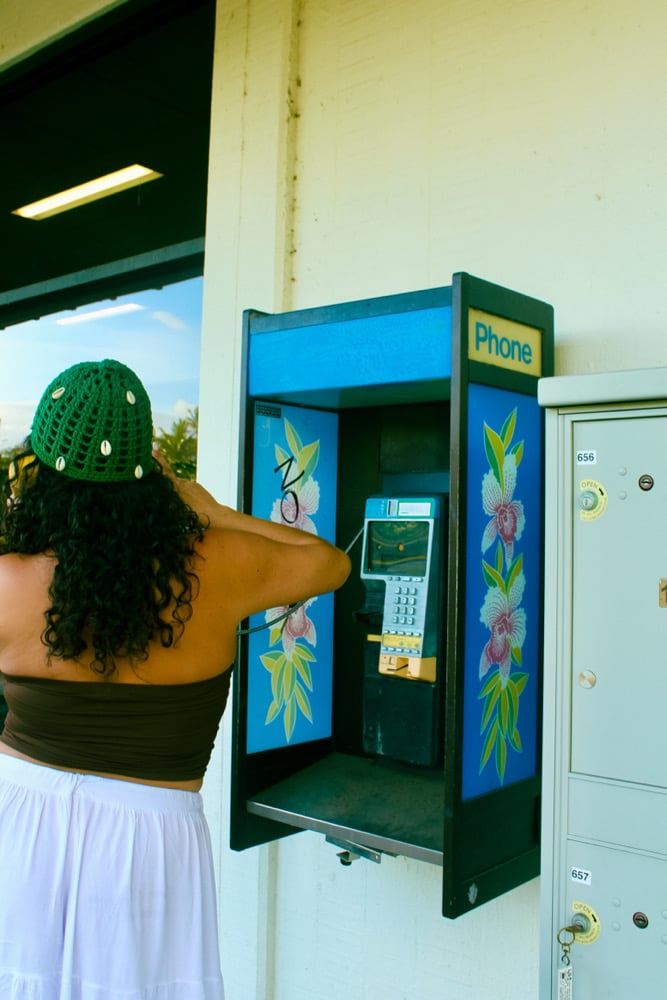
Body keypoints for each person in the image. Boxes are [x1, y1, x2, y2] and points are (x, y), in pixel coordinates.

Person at [0, 358, 350, 999]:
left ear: (44, 466)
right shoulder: (214, 568)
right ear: (149, 468)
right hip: (148, 841)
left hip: (18, 822)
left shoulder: (9, 580)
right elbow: (329, 563)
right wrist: (210, 510)